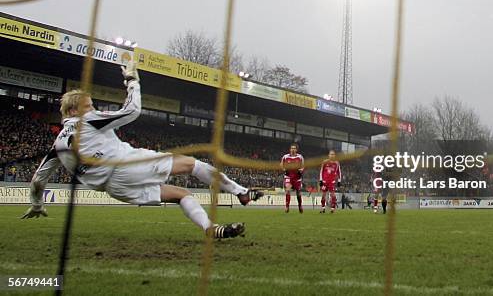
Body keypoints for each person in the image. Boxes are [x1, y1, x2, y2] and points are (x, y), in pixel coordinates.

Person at [21, 61, 263, 239]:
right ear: (74, 111)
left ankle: (210, 228)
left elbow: (38, 180)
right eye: (89, 105)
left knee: (181, 194)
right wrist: (132, 80)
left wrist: (37, 204)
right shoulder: (88, 120)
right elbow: (132, 111)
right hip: (127, 166)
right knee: (192, 164)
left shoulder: (57, 144)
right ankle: (240, 192)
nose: (93, 108)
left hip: (115, 188)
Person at [280, 143, 304, 213]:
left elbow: (303, 166)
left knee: (298, 193)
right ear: (290, 149)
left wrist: (301, 171)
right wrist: (284, 170)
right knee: (288, 189)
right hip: (288, 176)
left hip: (297, 177)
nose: (293, 149)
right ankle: (287, 207)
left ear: (296, 150)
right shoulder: (285, 157)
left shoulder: (300, 157)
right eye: (292, 148)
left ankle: (300, 205)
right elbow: (281, 164)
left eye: (294, 148)